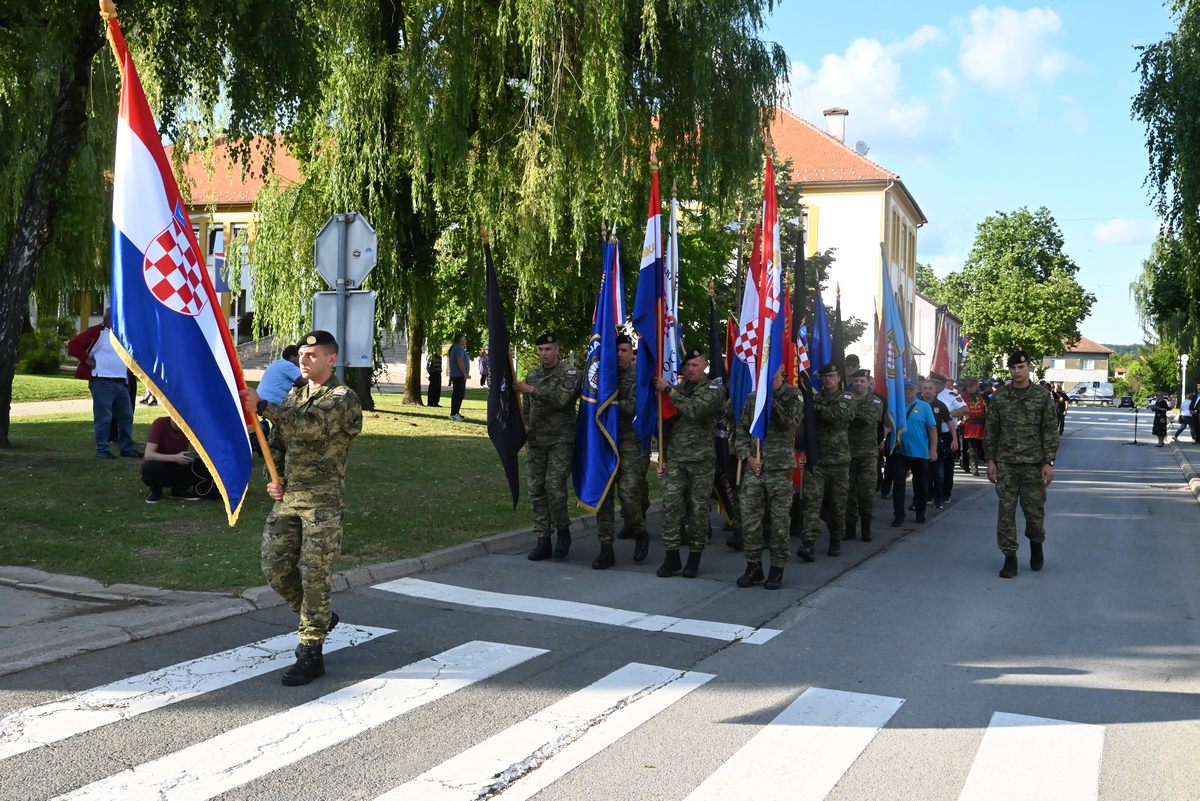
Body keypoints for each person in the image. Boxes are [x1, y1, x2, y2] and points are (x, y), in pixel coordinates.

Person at [239, 330, 363, 686]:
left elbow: (311, 428)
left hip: (322, 503)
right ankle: (319, 617)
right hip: (289, 499)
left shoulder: (342, 398)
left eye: (312, 355)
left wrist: (263, 406)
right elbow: (277, 440)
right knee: (274, 566)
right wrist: (272, 475)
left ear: (331, 360)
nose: (304, 360)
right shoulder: (295, 393)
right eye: (302, 355)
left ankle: (311, 651)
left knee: (313, 575)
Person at [985, 350, 1059, 579]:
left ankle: (1036, 544)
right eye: (1013, 368)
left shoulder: (1042, 396)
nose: (1017, 372)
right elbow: (992, 430)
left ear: (1029, 368)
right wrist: (990, 460)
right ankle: (1010, 558)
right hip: (1006, 462)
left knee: (1034, 512)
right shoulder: (1000, 397)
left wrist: (1048, 462)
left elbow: (1049, 429)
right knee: (1006, 511)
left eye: (1021, 367)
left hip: (1033, 463)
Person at [653, 347, 726, 578]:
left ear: (705, 366)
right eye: (688, 365)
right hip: (676, 459)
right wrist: (662, 457)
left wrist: (669, 392)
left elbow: (695, 410)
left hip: (700, 461)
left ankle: (694, 558)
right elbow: (666, 425)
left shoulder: (714, 389)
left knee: (698, 511)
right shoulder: (677, 388)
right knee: (671, 507)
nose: (691, 369)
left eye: (696, 365)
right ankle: (671, 556)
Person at [734, 364, 803, 589]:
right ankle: (753, 566)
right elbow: (741, 431)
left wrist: (770, 399)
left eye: (772, 365)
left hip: (779, 469)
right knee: (750, 520)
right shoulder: (753, 398)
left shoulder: (794, 395)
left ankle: (777, 567)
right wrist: (748, 456)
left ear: (781, 368)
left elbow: (789, 423)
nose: (768, 369)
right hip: (755, 469)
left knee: (779, 521)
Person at [513, 332, 581, 561]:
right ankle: (543, 539)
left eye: (548, 349)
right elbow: (526, 408)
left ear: (557, 350)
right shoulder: (532, 375)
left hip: (561, 439)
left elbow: (562, 400)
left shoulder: (570, 373)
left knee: (554, 486)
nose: (544, 353)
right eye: (541, 350)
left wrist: (530, 390)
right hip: (537, 441)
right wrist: (523, 424)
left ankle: (563, 531)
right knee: (536, 489)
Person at [593, 335, 651, 569]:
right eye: (616, 350)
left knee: (628, 494)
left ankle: (639, 531)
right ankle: (606, 548)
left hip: (629, 440)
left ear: (631, 352)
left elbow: (636, 407)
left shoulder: (639, 375)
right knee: (604, 496)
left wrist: (609, 403)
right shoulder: (603, 374)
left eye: (624, 350)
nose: (619, 354)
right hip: (605, 440)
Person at [67, 308, 141, 460]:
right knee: (104, 417)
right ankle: (102, 449)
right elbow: (73, 344)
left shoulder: (123, 334)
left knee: (126, 416)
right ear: (108, 319)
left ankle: (127, 448)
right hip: (102, 380)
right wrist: (86, 359)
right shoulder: (96, 332)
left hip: (121, 381)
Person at [798, 363, 852, 561]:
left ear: (839, 378)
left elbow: (835, 415)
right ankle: (808, 544)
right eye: (824, 376)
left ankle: (836, 538)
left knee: (838, 504)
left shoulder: (846, 397)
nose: (828, 379)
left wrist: (812, 406)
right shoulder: (815, 398)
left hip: (838, 461)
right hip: (817, 459)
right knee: (811, 503)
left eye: (832, 376)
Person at [886, 378, 937, 527]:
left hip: (919, 452)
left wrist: (933, 449)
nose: (908, 391)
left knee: (920, 485)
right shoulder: (896, 405)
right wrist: (890, 409)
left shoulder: (924, 406)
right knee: (899, 484)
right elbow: (887, 424)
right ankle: (899, 515)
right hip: (899, 451)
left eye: (911, 388)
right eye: (905, 388)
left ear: (917, 389)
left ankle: (920, 512)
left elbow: (932, 429)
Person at [845, 368, 883, 542]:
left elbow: (864, 420)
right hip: (847, 453)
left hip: (867, 454)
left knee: (866, 492)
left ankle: (866, 525)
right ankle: (850, 527)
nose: (859, 384)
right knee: (848, 492)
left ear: (868, 383)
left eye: (862, 381)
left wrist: (844, 414)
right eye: (856, 381)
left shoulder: (875, 401)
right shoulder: (846, 399)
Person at [141, 416, 204, 502]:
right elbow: (148, 454)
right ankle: (156, 490)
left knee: (198, 463)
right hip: (160, 465)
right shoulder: (160, 424)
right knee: (151, 466)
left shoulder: (189, 427)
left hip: (177, 465)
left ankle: (179, 490)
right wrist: (175, 458)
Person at [931, 372, 965, 502]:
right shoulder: (928, 394)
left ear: (941, 384)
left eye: (934, 383)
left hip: (947, 434)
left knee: (947, 465)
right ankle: (932, 492)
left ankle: (946, 492)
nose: (932, 385)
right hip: (931, 433)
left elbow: (964, 409)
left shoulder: (951, 395)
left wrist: (946, 415)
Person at [921, 377, 954, 510]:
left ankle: (938, 499)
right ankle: (925, 497)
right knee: (923, 473)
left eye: (930, 389)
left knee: (939, 474)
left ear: (935, 391)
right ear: (921, 390)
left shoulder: (940, 405)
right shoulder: (917, 404)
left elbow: (950, 422)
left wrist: (955, 440)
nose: (927, 391)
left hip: (937, 444)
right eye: (925, 388)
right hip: (921, 444)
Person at [959, 377, 988, 475]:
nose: (970, 388)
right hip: (968, 425)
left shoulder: (980, 397)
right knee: (970, 446)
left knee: (977, 446)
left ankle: (966, 462)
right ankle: (972, 466)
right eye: (969, 386)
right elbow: (958, 408)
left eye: (973, 386)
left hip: (979, 425)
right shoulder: (962, 396)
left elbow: (984, 410)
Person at [448, 333, 470, 421]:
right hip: (458, 375)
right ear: (460, 340)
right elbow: (460, 361)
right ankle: (454, 414)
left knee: (458, 394)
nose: (465, 341)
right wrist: (464, 373)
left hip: (457, 375)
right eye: (464, 339)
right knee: (459, 394)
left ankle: (455, 412)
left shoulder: (456, 348)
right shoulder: (459, 348)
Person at [426, 342, 443, 407]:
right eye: (439, 349)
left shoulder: (440, 357)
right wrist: (430, 374)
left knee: (438, 389)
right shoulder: (432, 357)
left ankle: (436, 402)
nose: (440, 350)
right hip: (433, 374)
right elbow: (428, 367)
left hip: (438, 374)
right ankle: (430, 402)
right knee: (432, 388)